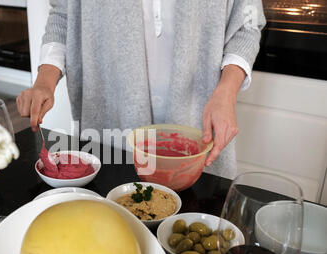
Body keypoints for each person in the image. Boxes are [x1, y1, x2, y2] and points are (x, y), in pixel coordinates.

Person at [17, 0, 266, 179]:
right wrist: (44, 81)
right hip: (111, 126)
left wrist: (227, 91)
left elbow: (248, 24)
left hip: (197, 123)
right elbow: (63, 15)